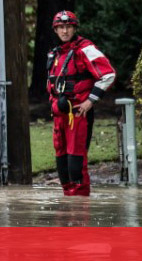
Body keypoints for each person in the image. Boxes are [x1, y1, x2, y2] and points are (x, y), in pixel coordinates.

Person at [47, 10, 116, 196]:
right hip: (59, 117)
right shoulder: (55, 54)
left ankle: (81, 212)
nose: (64, 31)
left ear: (74, 27)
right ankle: (67, 210)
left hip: (78, 116)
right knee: (62, 167)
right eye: (60, 27)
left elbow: (108, 74)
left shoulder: (85, 49)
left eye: (68, 26)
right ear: (55, 30)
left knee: (75, 166)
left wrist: (90, 101)